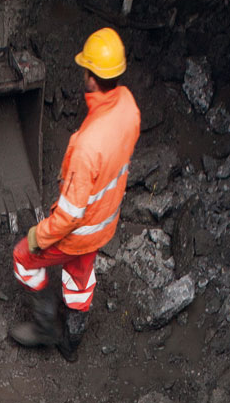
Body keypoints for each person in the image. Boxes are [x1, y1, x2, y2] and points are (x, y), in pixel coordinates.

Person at [10, 29, 141, 361]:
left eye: (85, 69)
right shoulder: (128, 108)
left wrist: (38, 236)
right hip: (102, 226)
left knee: (23, 259)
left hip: (76, 231)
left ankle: (46, 327)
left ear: (92, 79)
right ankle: (72, 341)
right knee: (81, 277)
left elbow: (68, 215)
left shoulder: (87, 147)